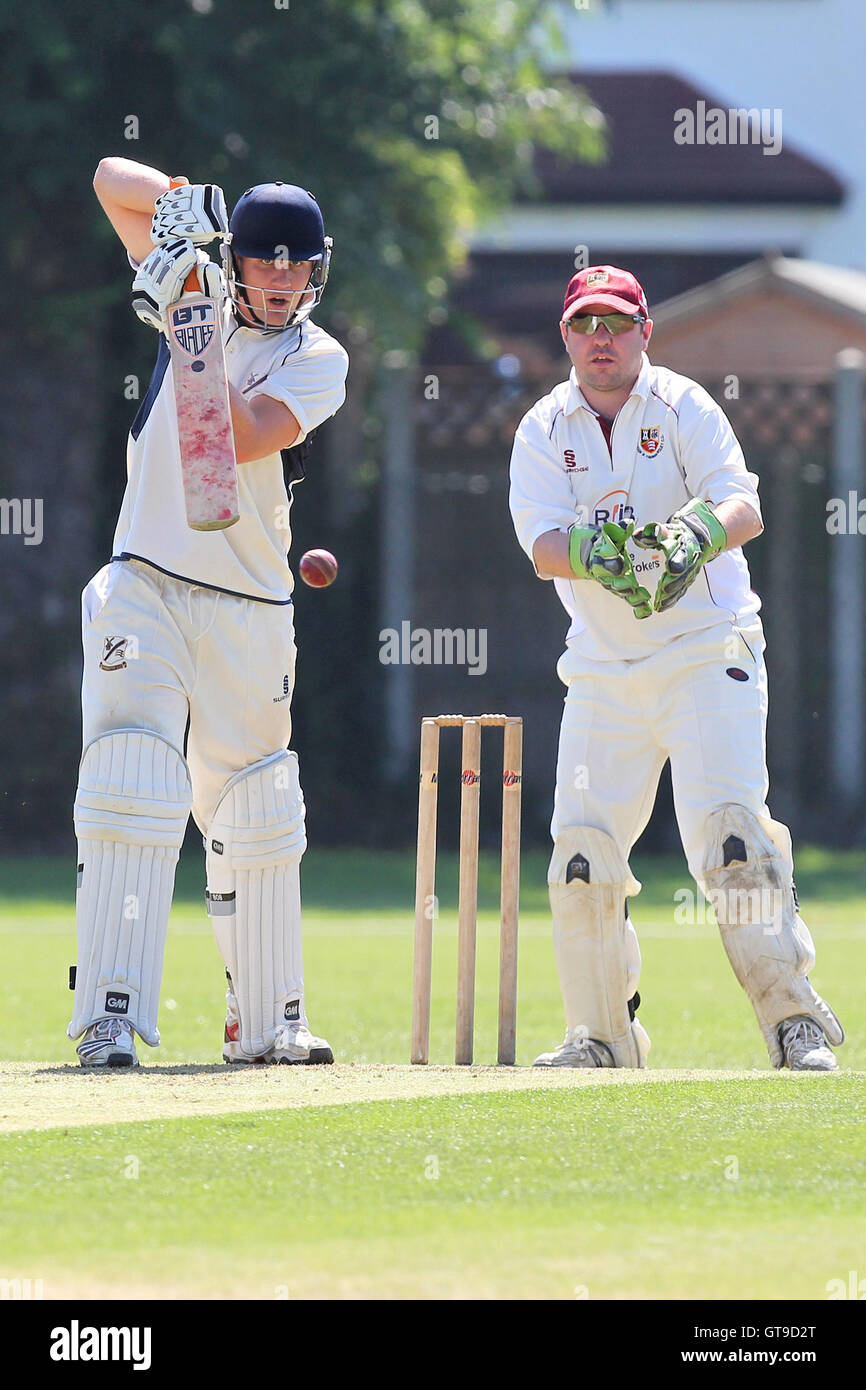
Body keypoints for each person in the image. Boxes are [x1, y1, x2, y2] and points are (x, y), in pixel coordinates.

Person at [508, 264, 843, 1071]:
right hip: (603, 668)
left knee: (732, 838)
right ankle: (600, 1038)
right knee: (582, 857)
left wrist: (693, 536)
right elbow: (544, 546)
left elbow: (744, 505)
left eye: (617, 325)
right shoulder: (543, 428)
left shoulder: (686, 405)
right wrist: (601, 552)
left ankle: (793, 1020)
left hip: (707, 650)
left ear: (644, 333)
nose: (601, 340)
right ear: (566, 336)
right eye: (585, 326)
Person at [69, 158, 348, 1068]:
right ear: (241, 257)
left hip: (250, 604)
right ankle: (109, 1014)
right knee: (131, 779)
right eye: (260, 262)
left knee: (258, 803)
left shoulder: (317, 358)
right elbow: (112, 179)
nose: (275, 280)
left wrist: (188, 323)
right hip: (145, 575)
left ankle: (267, 1022)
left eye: (294, 267)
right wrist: (188, 220)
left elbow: (246, 432)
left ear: (316, 272)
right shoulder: (196, 269)